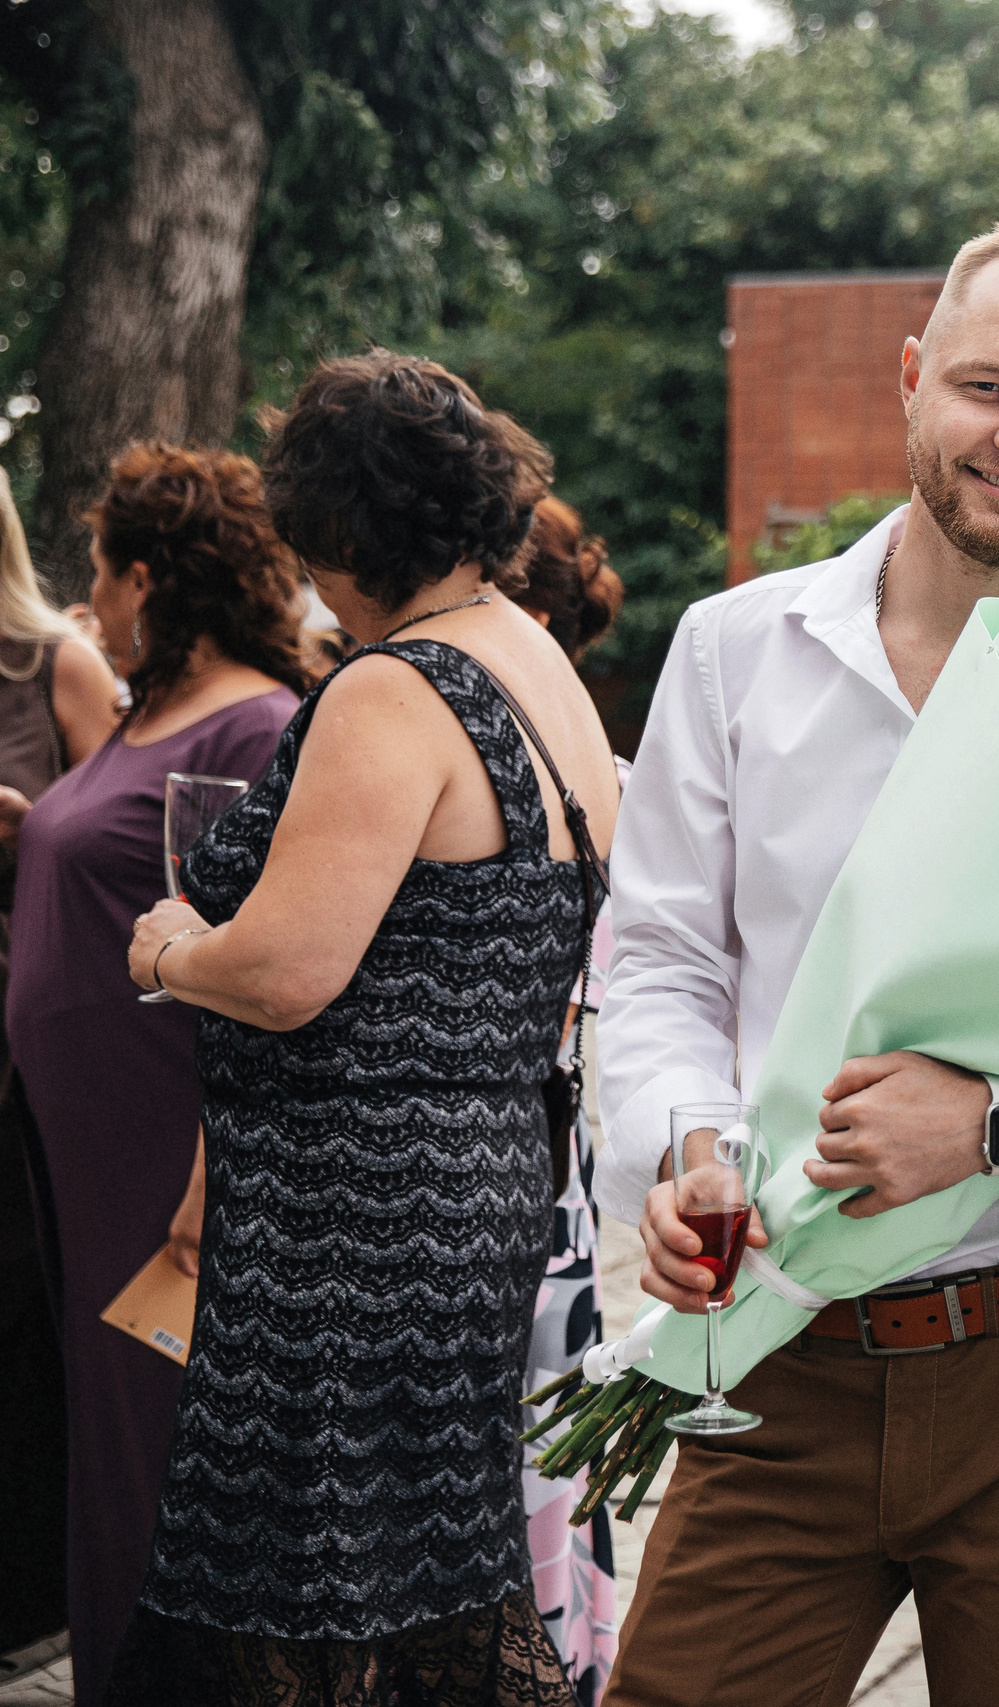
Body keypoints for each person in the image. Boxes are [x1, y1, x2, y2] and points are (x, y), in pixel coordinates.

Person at [598, 218, 999, 1706]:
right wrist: (689, 1146)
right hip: (776, 1348)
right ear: (912, 377)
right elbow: (669, 964)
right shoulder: (731, 650)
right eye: (986, 386)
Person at [113, 353, 617, 1707]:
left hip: (349, 1224)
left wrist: (171, 948)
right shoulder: (540, 666)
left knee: (302, 1599)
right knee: (429, 1581)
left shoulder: (398, 687)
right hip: (478, 1193)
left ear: (343, 531)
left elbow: (285, 970)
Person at [7, 444, 305, 1702]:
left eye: (99, 571)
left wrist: (209, 1167)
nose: (89, 596)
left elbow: (265, 962)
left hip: (166, 1152)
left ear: (145, 577)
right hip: (81, 1152)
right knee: (109, 1455)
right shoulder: (141, 713)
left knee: (169, 1458)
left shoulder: (256, 721)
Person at [506, 494, 627, 1700]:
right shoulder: (596, 753)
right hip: (558, 1174)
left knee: (533, 1439)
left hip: (530, 1162)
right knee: (548, 1441)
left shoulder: (555, 761)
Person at [0, 474, 123, 1658]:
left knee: (18, 1305)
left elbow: (113, 841)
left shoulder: (52, 665)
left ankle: (26, 1596)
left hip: (18, 1036)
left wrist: (23, 820)